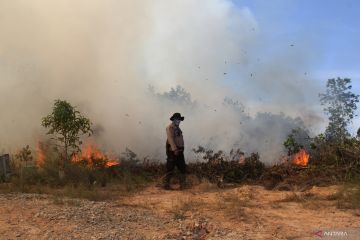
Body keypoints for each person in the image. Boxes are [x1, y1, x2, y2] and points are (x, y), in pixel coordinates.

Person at [164, 112, 187, 190]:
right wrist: (175, 149)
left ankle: (183, 184)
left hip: (179, 150)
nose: (178, 121)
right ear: (173, 120)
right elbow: (170, 139)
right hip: (172, 150)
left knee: (182, 167)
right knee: (170, 167)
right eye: (177, 119)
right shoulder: (170, 127)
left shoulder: (178, 128)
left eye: (179, 119)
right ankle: (166, 185)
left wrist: (181, 149)